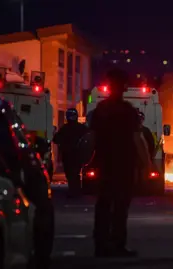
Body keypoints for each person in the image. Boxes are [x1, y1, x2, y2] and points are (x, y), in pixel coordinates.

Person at [90, 68, 151, 257]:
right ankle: (117, 244)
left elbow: (92, 137)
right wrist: (147, 163)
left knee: (103, 205)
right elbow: (137, 138)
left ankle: (100, 245)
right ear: (124, 87)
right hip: (123, 165)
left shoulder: (100, 110)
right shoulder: (128, 111)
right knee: (120, 207)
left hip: (104, 163)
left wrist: (91, 160)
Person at [53, 108, 89, 198]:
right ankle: (75, 189)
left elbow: (56, 139)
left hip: (68, 155)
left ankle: (73, 190)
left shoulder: (65, 128)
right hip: (77, 155)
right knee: (75, 172)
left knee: (70, 173)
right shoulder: (81, 128)